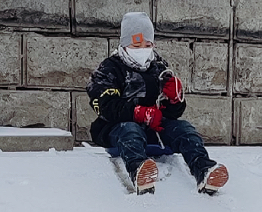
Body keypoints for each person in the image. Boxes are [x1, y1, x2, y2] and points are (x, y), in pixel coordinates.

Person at [86, 11, 229, 196]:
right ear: (124, 44)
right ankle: (139, 171)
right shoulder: (109, 69)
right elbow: (105, 105)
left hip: (155, 128)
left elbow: (171, 113)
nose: (143, 49)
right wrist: (137, 112)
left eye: (147, 44)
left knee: (184, 129)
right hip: (117, 128)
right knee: (130, 130)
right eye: (136, 44)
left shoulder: (159, 66)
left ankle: (204, 170)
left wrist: (175, 100)